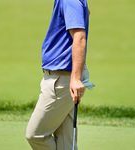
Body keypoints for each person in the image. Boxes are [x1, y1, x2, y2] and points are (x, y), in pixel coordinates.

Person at [26, 0, 92, 149]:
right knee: (65, 143)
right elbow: (86, 12)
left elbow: (80, 38)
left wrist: (75, 78)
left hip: (63, 79)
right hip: (64, 77)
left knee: (36, 136)